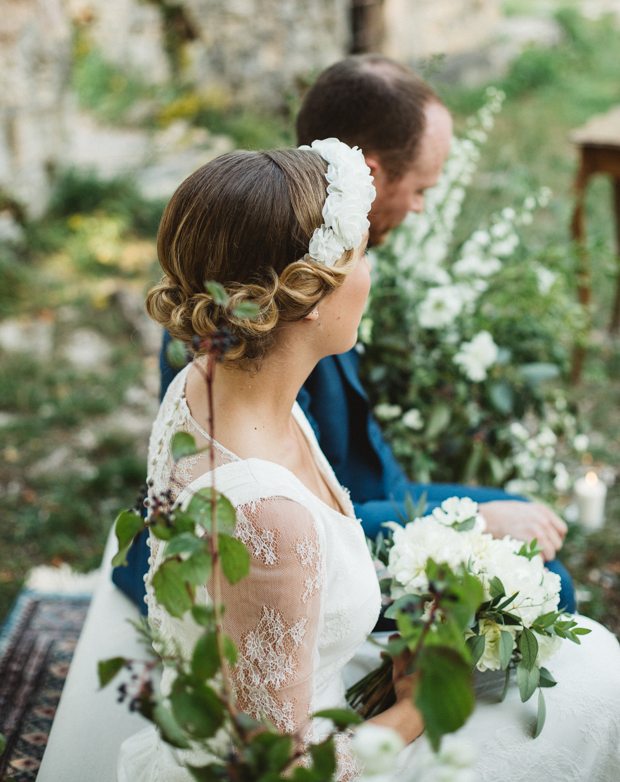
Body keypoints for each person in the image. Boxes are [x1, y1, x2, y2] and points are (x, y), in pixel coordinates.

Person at [118, 144, 620, 782]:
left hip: (286, 688)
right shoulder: (267, 517)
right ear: (308, 294)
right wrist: (417, 708)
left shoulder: (209, 385)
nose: (371, 271)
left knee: (592, 665)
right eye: (359, 254)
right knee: (599, 682)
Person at [116, 55, 572, 614]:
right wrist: (459, 525)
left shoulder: (311, 265)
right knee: (544, 585)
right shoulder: (257, 296)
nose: (423, 205)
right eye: (422, 187)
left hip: (351, 493)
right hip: (287, 541)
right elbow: (274, 515)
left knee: (524, 523)